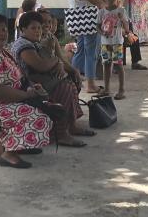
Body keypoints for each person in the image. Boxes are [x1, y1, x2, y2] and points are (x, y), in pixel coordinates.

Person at [0, 12, 53, 168]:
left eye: (4, 30)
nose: (2, 34)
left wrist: (29, 87)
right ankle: (9, 153)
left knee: (42, 105)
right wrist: (25, 96)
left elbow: (13, 76)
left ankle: (15, 146)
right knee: (38, 116)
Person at [13, 10, 92, 144]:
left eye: (39, 27)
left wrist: (71, 70)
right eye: (33, 28)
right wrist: (56, 62)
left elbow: (57, 60)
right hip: (28, 85)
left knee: (71, 83)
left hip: (40, 80)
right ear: (23, 29)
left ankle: (70, 126)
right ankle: (61, 134)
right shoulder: (23, 45)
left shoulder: (40, 40)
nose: (38, 31)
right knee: (65, 88)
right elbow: (41, 66)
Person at [64, 0, 104, 94]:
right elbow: (97, 0)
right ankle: (91, 84)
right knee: (91, 53)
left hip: (79, 23)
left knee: (81, 51)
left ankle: (73, 80)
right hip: (90, 22)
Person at [96, 0, 130, 100]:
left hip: (117, 42)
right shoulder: (101, 12)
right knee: (106, 65)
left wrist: (122, 19)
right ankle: (107, 89)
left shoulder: (121, 11)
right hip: (105, 43)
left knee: (119, 65)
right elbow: (97, 26)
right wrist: (102, 33)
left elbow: (127, 29)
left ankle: (122, 90)